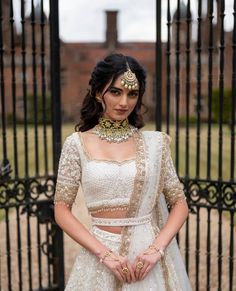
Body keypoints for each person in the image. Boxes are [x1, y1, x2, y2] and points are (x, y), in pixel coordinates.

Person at [54, 53, 192, 291]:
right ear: (98, 92)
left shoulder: (155, 145)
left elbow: (179, 203)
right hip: (100, 257)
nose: (124, 103)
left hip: (146, 262)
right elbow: (61, 210)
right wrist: (104, 254)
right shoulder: (76, 144)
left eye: (132, 94)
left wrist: (156, 250)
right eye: (115, 92)